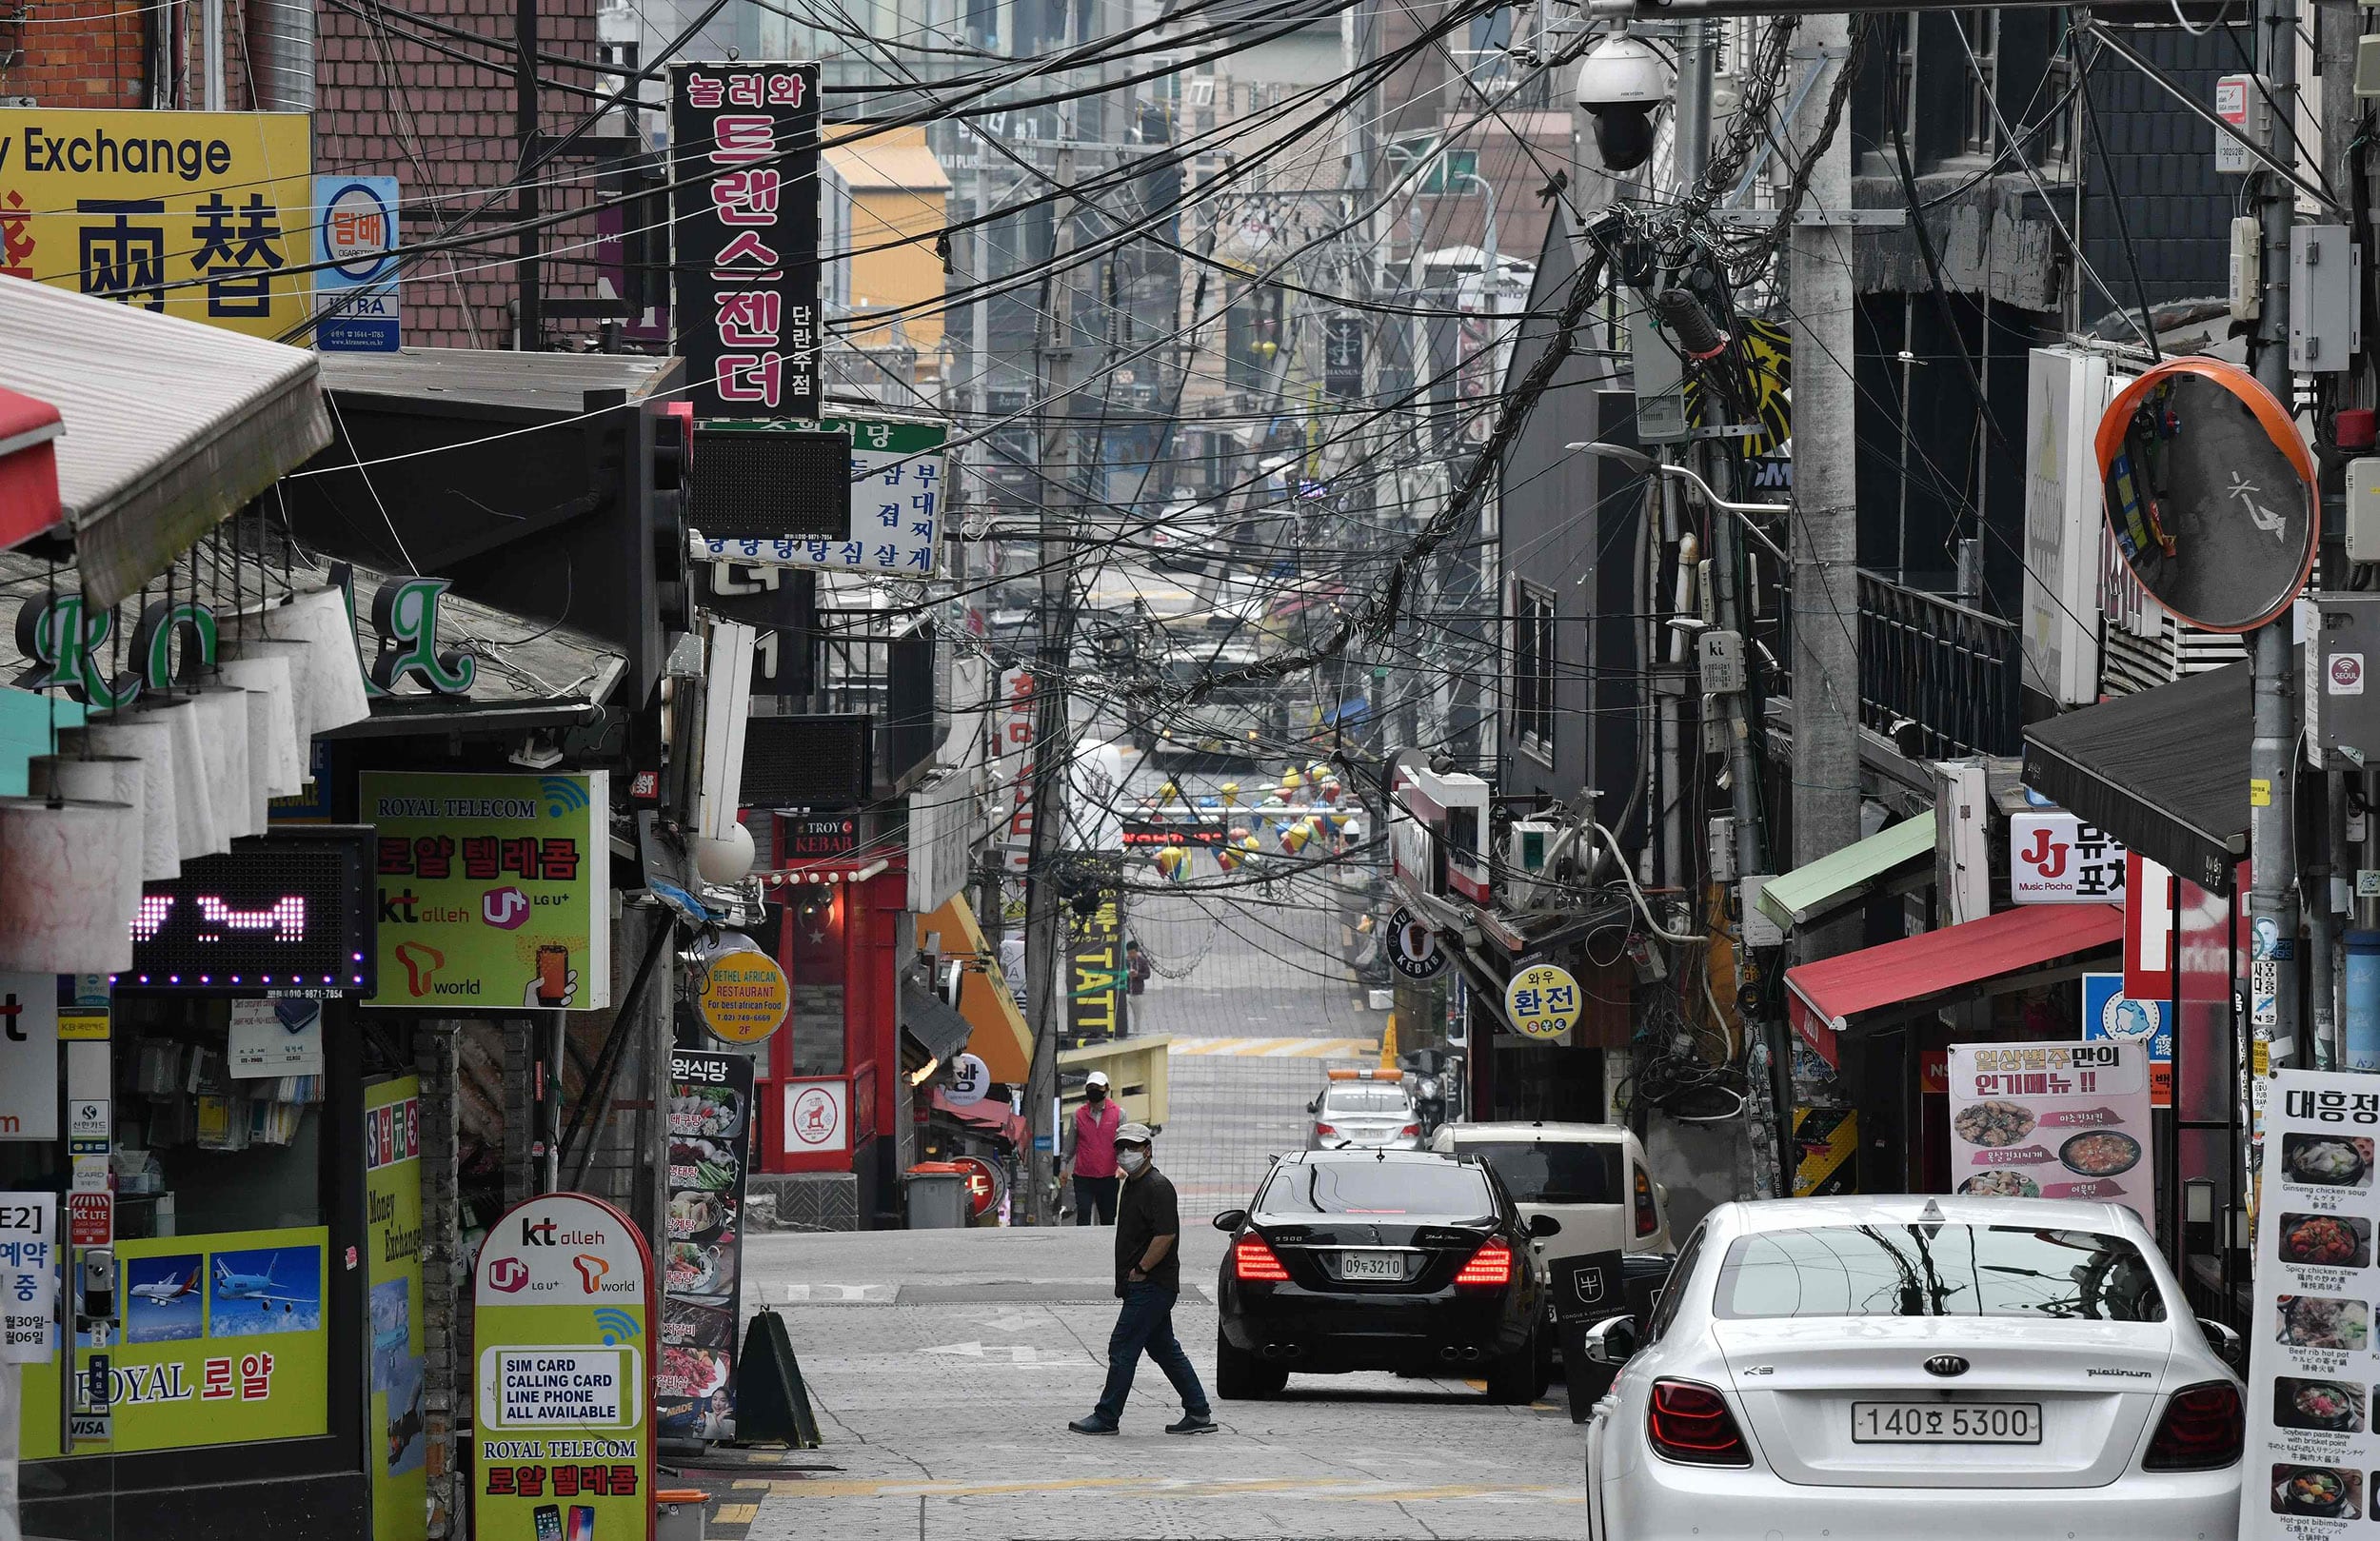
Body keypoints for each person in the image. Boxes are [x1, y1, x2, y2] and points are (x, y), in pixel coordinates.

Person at [1068, 1124, 1215, 1435]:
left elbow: (1165, 1235)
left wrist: (1142, 1269)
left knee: (1122, 1346)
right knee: (1163, 1349)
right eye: (1120, 1147)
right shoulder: (1132, 1185)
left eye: (1131, 1147)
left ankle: (1107, 1416)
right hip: (1145, 1285)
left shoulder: (1157, 1186)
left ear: (1147, 1149)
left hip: (1151, 1285)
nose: (1125, 1153)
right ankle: (1198, 1412)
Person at [1068, 1072, 1122, 1225]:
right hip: (1083, 1176)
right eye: (1090, 1087)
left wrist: (1122, 1166)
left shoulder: (1118, 1114)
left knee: (1108, 1217)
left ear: (1106, 1089)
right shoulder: (1078, 1115)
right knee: (1083, 1214)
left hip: (1108, 1176)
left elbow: (1123, 1145)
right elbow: (1070, 1146)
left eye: (1097, 1087)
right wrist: (1063, 1168)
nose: (1094, 1090)